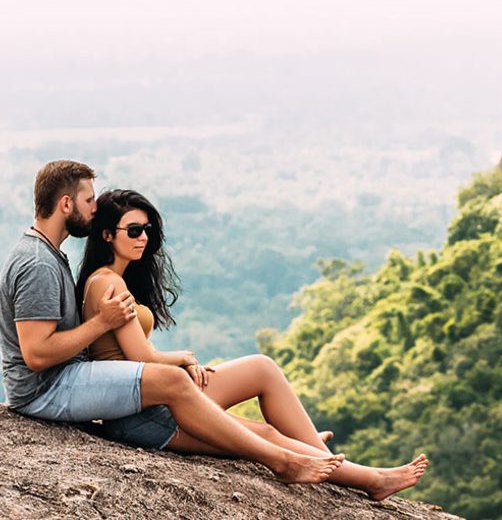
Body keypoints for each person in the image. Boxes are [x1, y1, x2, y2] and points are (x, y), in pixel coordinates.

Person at [0, 160, 344, 486]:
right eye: (89, 200)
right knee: (177, 382)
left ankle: (309, 451)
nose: (94, 208)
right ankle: (283, 459)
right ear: (65, 204)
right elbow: (37, 355)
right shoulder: (38, 264)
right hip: (45, 390)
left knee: (255, 371)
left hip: (64, 378)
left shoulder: (50, 255)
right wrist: (103, 322)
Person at [76, 186, 429, 500]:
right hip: (140, 415)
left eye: (147, 230)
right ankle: (372, 480)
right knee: (267, 436)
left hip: (157, 395)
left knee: (261, 368)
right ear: (107, 235)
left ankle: (311, 448)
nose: (143, 238)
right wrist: (181, 358)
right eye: (133, 230)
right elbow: (140, 357)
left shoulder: (114, 279)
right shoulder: (109, 284)